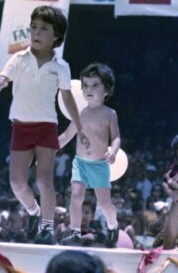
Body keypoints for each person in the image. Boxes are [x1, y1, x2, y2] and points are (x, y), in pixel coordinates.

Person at [0, 5, 90, 244]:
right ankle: (34, 211)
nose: (36, 33)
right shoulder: (18, 58)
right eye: (34, 27)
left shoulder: (61, 66)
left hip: (47, 126)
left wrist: (79, 128)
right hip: (20, 126)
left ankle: (47, 228)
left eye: (44, 29)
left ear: (56, 36)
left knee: (43, 180)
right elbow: (3, 79)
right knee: (17, 182)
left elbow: (67, 99)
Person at [58, 62, 121, 248]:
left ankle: (112, 225)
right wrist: (48, 148)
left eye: (95, 85)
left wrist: (114, 151)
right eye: (85, 85)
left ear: (107, 90)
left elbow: (116, 137)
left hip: (99, 164)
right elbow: (66, 136)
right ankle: (75, 232)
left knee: (104, 203)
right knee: (76, 196)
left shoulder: (110, 113)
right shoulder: (79, 113)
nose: (88, 89)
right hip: (80, 163)